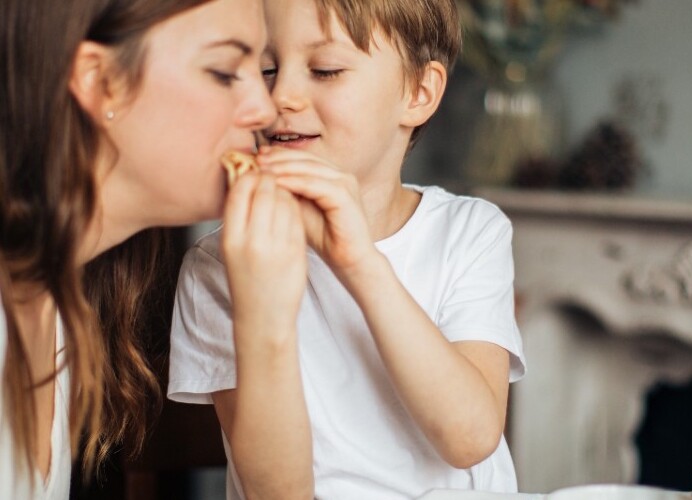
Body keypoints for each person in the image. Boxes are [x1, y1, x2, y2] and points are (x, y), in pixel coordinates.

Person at [168, 0, 527, 498]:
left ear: (419, 93)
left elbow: (469, 439)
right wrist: (263, 306)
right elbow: (276, 493)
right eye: (266, 69)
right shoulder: (221, 266)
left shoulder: (471, 232)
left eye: (326, 69)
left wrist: (359, 263)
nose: (281, 96)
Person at [0, 0, 280, 497]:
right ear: (99, 80)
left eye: (261, 71)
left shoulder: (58, 310)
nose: (265, 109)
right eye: (223, 72)